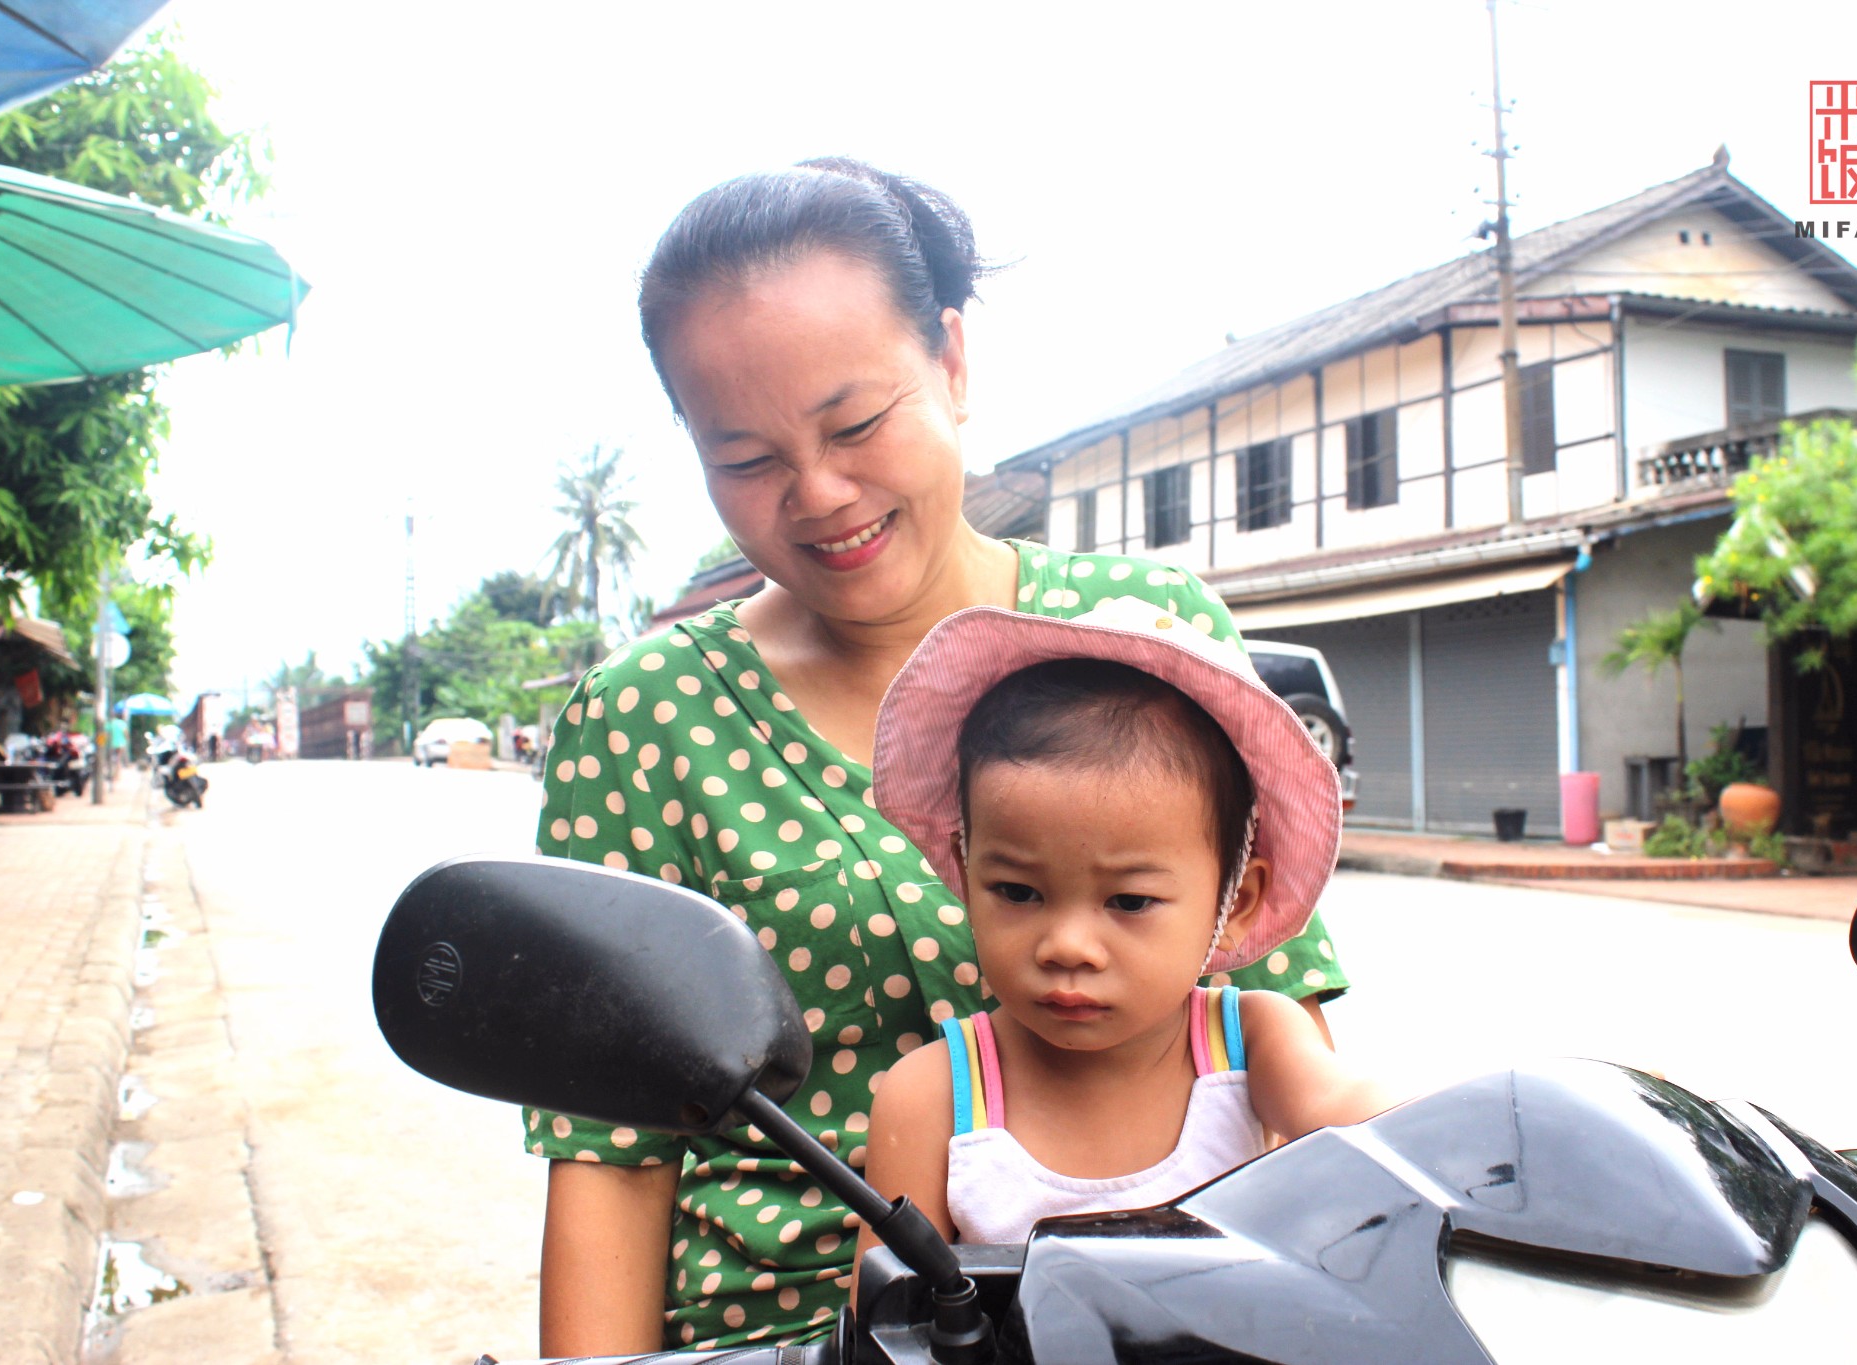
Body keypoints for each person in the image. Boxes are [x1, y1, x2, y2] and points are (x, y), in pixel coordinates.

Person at [525, 157, 1353, 1356]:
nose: (817, 494)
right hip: (784, 1344)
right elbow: (610, 1158)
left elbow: (1284, 1036)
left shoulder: (1144, 633)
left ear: (952, 364)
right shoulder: (642, 720)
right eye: (745, 460)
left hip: (1158, 1327)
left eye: (854, 424)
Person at [854, 601, 1391, 1278]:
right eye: (1019, 891)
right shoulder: (934, 1097)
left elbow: (1351, 1111)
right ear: (965, 868)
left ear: (1238, 901)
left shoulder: (1253, 1044)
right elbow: (886, 1321)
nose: (1069, 945)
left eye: (1130, 900)